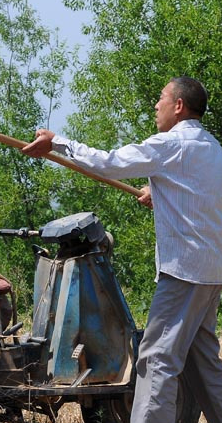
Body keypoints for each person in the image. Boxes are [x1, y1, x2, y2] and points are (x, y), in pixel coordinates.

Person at [22, 76, 222, 423]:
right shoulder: (212, 148)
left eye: (161, 98)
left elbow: (109, 163)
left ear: (178, 106)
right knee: (202, 360)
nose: (155, 105)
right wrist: (158, 190)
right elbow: (201, 197)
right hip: (211, 271)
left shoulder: (170, 145)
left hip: (184, 271)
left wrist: (58, 143)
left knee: (156, 359)